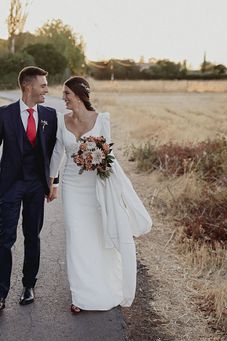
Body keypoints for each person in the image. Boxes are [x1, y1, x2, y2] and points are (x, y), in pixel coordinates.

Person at [49, 76, 152, 313]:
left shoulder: (102, 120)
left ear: (79, 95)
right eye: (63, 94)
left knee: (99, 235)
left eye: (67, 94)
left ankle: (107, 287)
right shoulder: (61, 120)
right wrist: (52, 181)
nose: (63, 98)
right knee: (77, 237)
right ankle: (81, 295)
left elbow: (109, 155)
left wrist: (100, 162)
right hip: (72, 184)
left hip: (97, 186)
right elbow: (57, 152)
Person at [0, 66, 59, 312]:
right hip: (12, 185)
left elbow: (55, 152)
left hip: (37, 186)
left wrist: (53, 183)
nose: (47, 89)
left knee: (32, 236)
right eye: (43, 85)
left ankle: (28, 285)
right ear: (28, 87)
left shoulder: (50, 115)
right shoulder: (5, 114)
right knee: (5, 238)